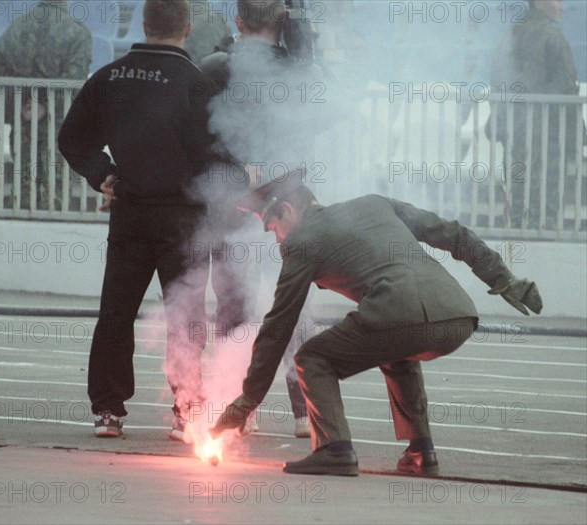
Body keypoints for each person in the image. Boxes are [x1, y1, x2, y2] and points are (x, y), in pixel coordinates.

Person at [209, 172, 543, 476]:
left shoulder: (301, 241)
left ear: (286, 209)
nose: (276, 239)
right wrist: (504, 280)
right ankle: (421, 452)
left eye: (272, 228)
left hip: (399, 311)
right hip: (457, 314)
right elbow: (453, 234)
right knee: (396, 349)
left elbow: (279, 324)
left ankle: (334, 449)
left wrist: (248, 400)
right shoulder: (375, 204)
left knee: (312, 358)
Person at [58, 0, 220, 439]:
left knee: (116, 310)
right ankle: (186, 409)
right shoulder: (196, 83)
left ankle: (108, 411)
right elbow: (215, 158)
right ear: (187, 28)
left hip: (129, 209)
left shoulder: (109, 77)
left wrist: (103, 175)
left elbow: (70, 138)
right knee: (185, 313)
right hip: (183, 218)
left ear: (144, 24)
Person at [199, 0, 319, 438]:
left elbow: (199, 126)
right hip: (288, 199)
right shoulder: (296, 68)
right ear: (281, 21)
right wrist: (300, 32)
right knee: (293, 305)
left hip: (232, 199)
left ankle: (236, 408)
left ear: (238, 19)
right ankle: (305, 411)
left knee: (233, 303)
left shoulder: (218, 65)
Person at [488, 0, 584, 229]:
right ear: (540, 3)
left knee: (516, 189)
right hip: (550, 132)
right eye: (557, 1)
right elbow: (566, 85)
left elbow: (498, 81)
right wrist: (576, 134)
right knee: (547, 196)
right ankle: (544, 236)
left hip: (516, 129)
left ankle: (516, 235)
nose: (562, 7)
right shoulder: (553, 36)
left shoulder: (510, 35)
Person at [0, 0, 91, 210]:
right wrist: (45, 105)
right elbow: (75, 82)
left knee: (23, 191)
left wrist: (19, 106)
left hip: (23, 123)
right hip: (60, 128)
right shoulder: (77, 32)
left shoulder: (17, 26)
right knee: (56, 194)